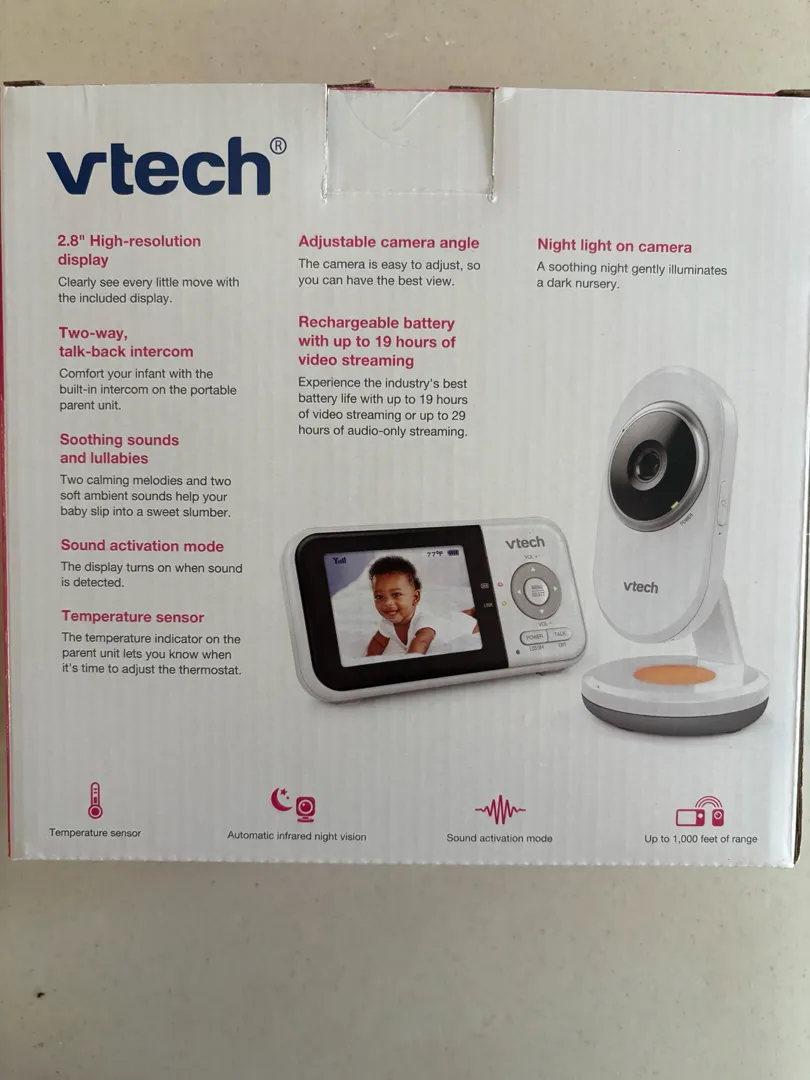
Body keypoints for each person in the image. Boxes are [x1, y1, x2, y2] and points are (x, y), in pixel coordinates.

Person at [364, 555, 478, 658]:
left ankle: (472, 612)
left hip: (462, 626)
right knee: (447, 616)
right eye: (379, 597)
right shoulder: (387, 622)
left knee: (468, 621)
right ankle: (469, 611)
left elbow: (422, 642)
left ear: (415, 597)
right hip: (443, 619)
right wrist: (368, 659)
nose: (387, 603)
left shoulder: (423, 621)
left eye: (396, 594)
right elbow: (378, 642)